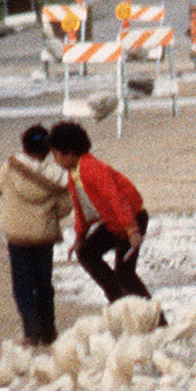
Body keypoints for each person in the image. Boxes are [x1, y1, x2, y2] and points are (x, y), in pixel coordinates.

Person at [48, 119, 151, 303]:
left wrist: (132, 230)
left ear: (69, 152)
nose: (55, 160)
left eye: (56, 155)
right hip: (114, 223)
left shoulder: (91, 168)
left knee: (125, 274)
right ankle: (118, 300)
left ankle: (156, 319)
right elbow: (82, 210)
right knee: (86, 253)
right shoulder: (74, 173)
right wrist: (79, 238)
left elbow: (116, 198)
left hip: (132, 218)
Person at [0, 123, 68, 345]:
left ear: (23, 146)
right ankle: (49, 332)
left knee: (23, 284)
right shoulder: (57, 176)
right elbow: (65, 207)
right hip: (44, 235)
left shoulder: (11, 166)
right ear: (48, 149)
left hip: (18, 235)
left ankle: (31, 330)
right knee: (44, 283)